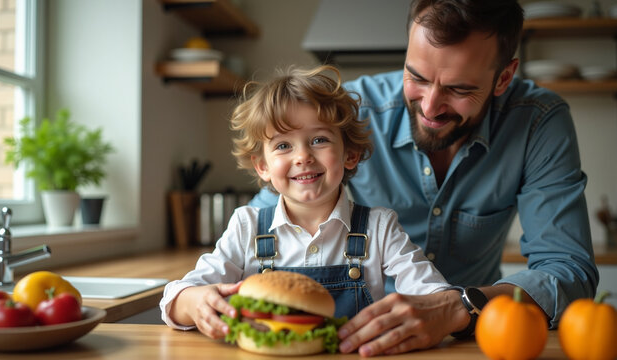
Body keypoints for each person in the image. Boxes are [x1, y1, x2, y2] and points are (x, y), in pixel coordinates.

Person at [250, 0, 599, 357]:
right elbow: (263, 226)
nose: (430, 107)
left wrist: (456, 308)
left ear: (504, 78)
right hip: (358, 342)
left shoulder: (539, 122)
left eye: (459, 89)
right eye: (416, 77)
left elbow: (568, 270)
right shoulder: (348, 114)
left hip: (476, 341)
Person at [159, 65, 450, 339]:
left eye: (319, 140)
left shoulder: (380, 227)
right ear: (263, 166)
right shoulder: (246, 226)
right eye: (283, 145)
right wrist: (194, 302)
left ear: (350, 154)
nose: (302, 157)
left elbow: (437, 297)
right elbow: (176, 298)